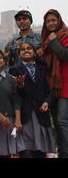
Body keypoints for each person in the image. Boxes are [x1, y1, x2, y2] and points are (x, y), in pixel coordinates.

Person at [9, 42, 56, 158]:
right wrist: (20, 85)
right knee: (26, 150)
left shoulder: (43, 68)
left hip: (41, 113)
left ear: (34, 52)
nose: (26, 50)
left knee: (40, 151)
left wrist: (47, 102)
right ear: (19, 55)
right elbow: (14, 94)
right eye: (22, 49)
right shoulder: (14, 69)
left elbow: (50, 90)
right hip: (25, 115)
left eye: (29, 48)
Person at [41, 9, 68, 158]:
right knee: (56, 123)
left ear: (59, 20)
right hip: (52, 85)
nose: (51, 23)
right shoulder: (46, 38)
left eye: (53, 20)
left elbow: (65, 56)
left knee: (62, 121)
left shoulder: (65, 35)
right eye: (48, 21)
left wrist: (54, 41)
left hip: (65, 83)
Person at [0, 49, 25, 157]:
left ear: (4, 61)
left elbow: (17, 100)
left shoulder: (11, 79)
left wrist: (18, 120)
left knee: (12, 151)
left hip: (11, 120)